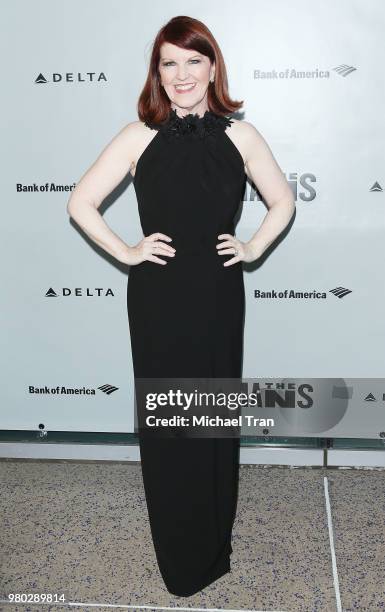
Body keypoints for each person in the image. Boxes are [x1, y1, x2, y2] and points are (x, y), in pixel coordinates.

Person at [67, 14, 295, 598]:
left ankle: (215, 539)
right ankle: (179, 552)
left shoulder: (241, 135)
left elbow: (282, 201)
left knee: (213, 417)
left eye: (193, 61)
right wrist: (127, 251)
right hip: (160, 296)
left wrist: (251, 247)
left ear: (212, 67)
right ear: (158, 73)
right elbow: (81, 204)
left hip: (218, 291)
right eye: (170, 63)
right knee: (170, 423)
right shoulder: (138, 135)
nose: (182, 73)